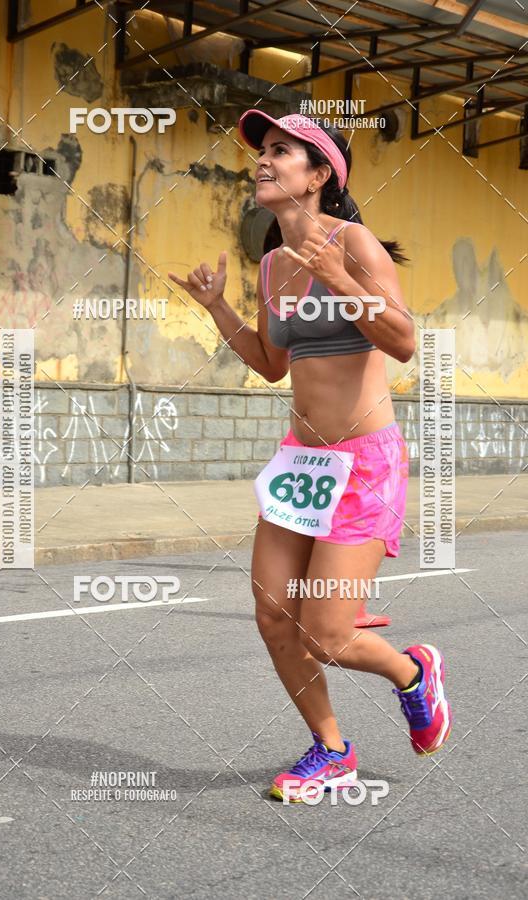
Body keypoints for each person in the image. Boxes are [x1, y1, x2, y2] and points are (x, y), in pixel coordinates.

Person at [169, 110, 451, 803]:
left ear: (320, 174)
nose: (263, 161)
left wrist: (341, 276)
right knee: (272, 614)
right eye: (262, 152)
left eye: (281, 151)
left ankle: (414, 673)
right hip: (302, 464)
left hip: (365, 462)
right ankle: (333, 750)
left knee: (326, 634)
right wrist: (217, 308)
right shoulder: (270, 264)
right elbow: (271, 363)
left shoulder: (354, 243)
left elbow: (404, 341)